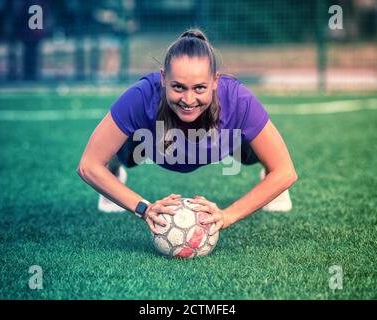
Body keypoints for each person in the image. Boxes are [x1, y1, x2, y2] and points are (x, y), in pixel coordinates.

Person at [77, 29, 297, 235]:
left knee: (263, 148)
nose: (189, 100)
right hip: (152, 147)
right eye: (178, 87)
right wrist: (144, 208)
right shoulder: (142, 96)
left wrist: (227, 215)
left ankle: (266, 179)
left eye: (199, 87)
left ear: (215, 81)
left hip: (224, 145)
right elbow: (89, 165)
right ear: (163, 78)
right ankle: (114, 174)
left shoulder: (237, 99)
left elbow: (285, 171)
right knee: (117, 147)